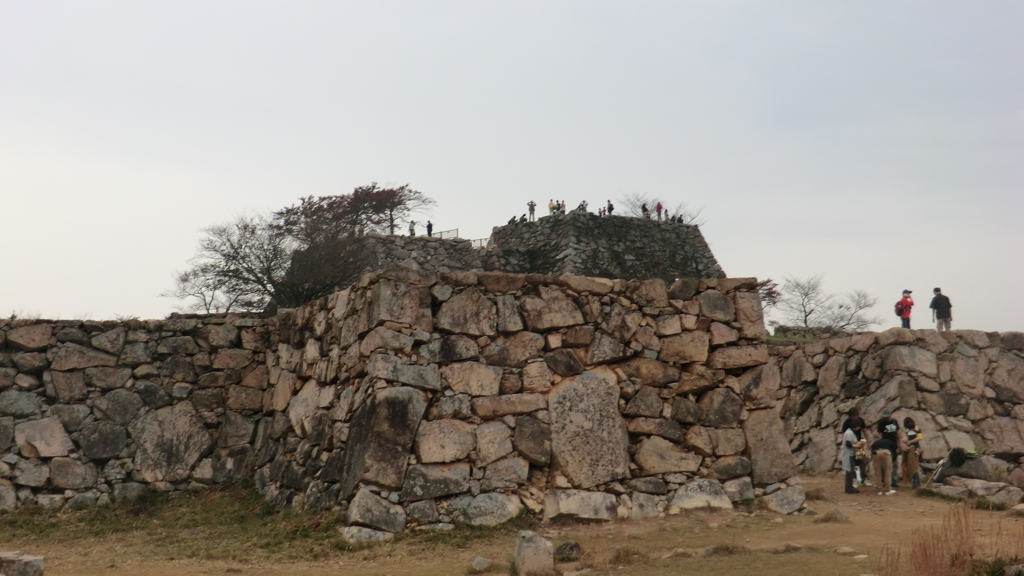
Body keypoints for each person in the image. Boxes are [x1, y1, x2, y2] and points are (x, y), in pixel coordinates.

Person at [841, 408, 872, 487]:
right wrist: (852, 444)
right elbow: (844, 436)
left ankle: (864, 478)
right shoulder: (846, 424)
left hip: (859, 445)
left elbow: (865, 431)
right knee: (852, 464)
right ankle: (854, 479)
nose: (855, 417)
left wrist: (868, 442)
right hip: (851, 446)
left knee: (862, 462)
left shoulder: (860, 421)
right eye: (854, 416)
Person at [877, 408, 901, 487]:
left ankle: (894, 480)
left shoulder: (894, 421)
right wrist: (881, 444)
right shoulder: (881, 423)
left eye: (887, 416)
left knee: (894, 462)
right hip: (886, 445)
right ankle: (884, 480)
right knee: (885, 463)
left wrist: (899, 442)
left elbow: (898, 432)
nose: (886, 418)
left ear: (891, 414)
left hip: (893, 445)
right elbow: (880, 434)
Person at [842, 420, 864, 494]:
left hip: (851, 453)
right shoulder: (849, 433)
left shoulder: (850, 432)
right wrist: (856, 446)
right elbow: (848, 444)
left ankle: (849, 486)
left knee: (851, 470)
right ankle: (849, 488)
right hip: (848, 454)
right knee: (849, 471)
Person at [903, 417, 923, 488]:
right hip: (911, 448)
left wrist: (910, 442)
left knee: (913, 466)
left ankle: (915, 484)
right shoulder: (910, 431)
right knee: (913, 466)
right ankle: (918, 483)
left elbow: (920, 437)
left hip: (914, 448)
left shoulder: (916, 428)